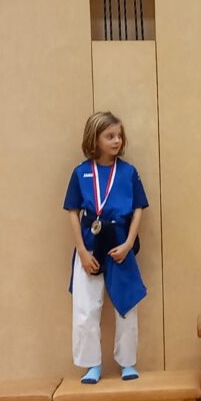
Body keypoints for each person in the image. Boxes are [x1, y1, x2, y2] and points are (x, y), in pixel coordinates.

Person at [63, 111, 148, 384]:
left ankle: (128, 362)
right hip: (90, 244)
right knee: (86, 308)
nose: (117, 141)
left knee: (126, 304)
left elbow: (138, 209)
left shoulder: (128, 172)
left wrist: (128, 243)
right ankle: (92, 364)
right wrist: (82, 251)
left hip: (120, 242)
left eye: (119, 136)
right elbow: (73, 211)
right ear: (94, 139)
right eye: (110, 136)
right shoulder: (81, 172)